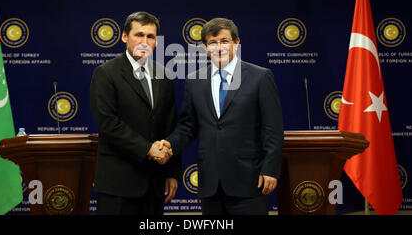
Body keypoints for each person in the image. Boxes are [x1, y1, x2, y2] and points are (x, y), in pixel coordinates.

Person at [155, 17, 284, 215]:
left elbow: (272, 129)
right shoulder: (195, 80)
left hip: (249, 181)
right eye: (213, 43)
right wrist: (169, 145)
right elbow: (187, 127)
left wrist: (270, 169)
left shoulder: (260, 77)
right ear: (205, 48)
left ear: (237, 43)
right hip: (210, 183)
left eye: (224, 41)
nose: (219, 47)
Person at [90, 11, 181, 215]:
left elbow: (171, 125)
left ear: (156, 42)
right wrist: (148, 149)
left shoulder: (163, 75)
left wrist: (172, 173)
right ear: (124, 37)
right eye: (138, 35)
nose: (144, 41)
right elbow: (108, 124)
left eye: (150, 36)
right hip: (118, 185)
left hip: (155, 184)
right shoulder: (106, 73)